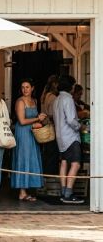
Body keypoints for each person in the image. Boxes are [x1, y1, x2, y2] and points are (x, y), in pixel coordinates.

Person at [11, 78, 45, 201]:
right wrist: (37, 119)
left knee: (32, 159)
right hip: (23, 133)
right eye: (23, 87)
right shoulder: (20, 101)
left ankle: (28, 190)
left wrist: (41, 121)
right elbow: (22, 120)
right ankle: (22, 191)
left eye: (27, 87)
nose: (24, 89)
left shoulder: (34, 100)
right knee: (23, 158)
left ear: (32, 88)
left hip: (32, 132)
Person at [53, 75, 86, 204]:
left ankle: (63, 192)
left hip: (60, 136)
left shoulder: (57, 99)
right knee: (76, 164)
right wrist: (80, 126)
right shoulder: (68, 99)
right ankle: (68, 193)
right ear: (70, 86)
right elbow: (71, 120)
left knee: (64, 163)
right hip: (70, 136)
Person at [40, 75, 60, 175]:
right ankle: (50, 176)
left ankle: (45, 176)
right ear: (55, 84)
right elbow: (52, 114)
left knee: (47, 153)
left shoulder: (44, 95)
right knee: (52, 154)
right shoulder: (53, 97)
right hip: (51, 128)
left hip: (44, 128)